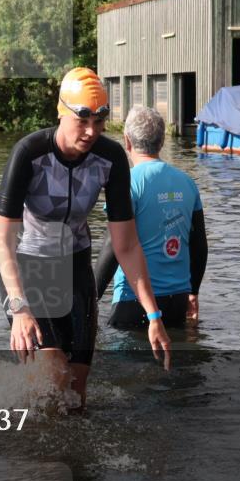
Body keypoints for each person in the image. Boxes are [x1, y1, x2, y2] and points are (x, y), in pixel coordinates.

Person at [0, 67, 172, 409]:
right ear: (62, 112)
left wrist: (153, 316)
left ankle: (74, 460)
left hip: (75, 268)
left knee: (76, 391)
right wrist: (19, 308)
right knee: (53, 375)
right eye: (82, 120)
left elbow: (127, 245)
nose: (91, 132)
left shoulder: (111, 158)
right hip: (27, 269)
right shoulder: (29, 154)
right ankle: (29, 451)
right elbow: (3, 241)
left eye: (100, 122)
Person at [95, 107, 208, 329]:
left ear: (127, 141)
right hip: (178, 299)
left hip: (134, 299)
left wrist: (90, 299)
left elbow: (113, 246)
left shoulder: (127, 183)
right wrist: (193, 292)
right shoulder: (187, 183)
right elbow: (199, 244)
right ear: (163, 140)